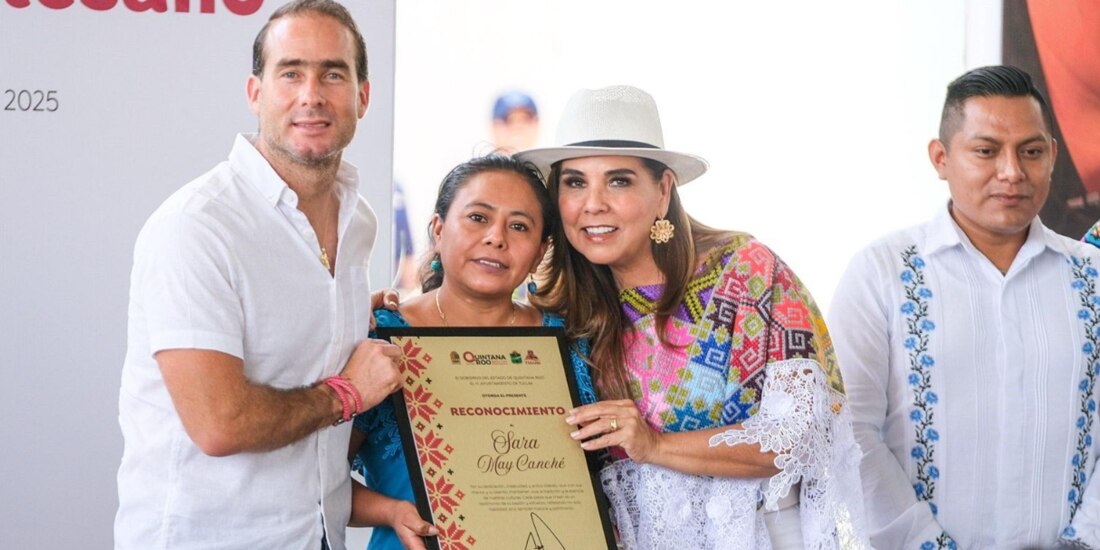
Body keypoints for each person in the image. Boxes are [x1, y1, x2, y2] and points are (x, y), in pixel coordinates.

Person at [516, 86, 868, 549]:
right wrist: (397, 315)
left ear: (663, 191)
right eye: (575, 182)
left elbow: (800, 434)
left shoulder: (748, 275)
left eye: (619, 180)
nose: (593, 203)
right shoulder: (557, 305)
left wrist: (655, 445)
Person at [115, 2, 402, 548]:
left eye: (333, 74)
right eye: (290, 72)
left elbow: (303, 337)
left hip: (319, 534)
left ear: (363, 97)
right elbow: (220, 424)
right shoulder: (197, 227)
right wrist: (348, 393)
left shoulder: (358, 219)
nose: (311, 95)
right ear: (256, 94)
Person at [828, 65, 1100, 548]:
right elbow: (851, 433)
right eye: (986, 151)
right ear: (941, 157)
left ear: (1053, 156)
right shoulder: (881, 274)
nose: (1012, 172)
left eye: (1031, 151)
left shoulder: (1092, 278)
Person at [346, 154, 598, 550]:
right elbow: (310, 484)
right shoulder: (381, 338)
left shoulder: (567, 345)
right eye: (478, 218)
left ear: (540, 251)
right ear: (438, 229)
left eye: (518, 226)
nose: (496, 237)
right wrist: (391, 512)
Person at [490, 90, 540, 155]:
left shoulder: (550, 162)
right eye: (508, 120)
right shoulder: (478, 164)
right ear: (494, 126)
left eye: (525, 119)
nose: (517, 127)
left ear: (536, 123)